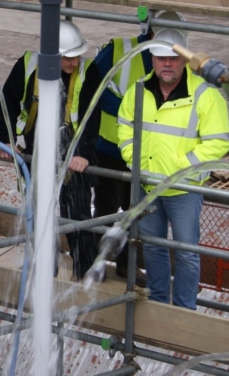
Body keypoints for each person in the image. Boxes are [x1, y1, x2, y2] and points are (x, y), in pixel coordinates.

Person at [117, 28, 229, 309]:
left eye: (173, 59)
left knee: (187, 253)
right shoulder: (139, 90)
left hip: (184, 189)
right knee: (153, 248)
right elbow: (125, 128)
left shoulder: (205, 94)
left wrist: (179, 169)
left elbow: (217, 143)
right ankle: (157, 302)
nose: (167, 64)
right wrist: (138, 163)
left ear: (185, 60)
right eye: (160, 58)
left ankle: (184, 308)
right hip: (148, 185)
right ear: (152, 60)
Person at [0, 21, 100, 281]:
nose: (74, 63)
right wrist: (6, 138)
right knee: (38, 210)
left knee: (76, 211)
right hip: (36, 146)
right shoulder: (29, 64)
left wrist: (83, 153)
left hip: (73, 149)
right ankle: (45, 266)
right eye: (68, 58)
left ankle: (83, 268)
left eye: (77, 57)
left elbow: (91, 116)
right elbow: (8, 100)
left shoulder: (89, 71)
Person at [86, 26, 154, 285]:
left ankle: (128, 265)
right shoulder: (118, 51)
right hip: (110, 148)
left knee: (135, 212)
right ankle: (98, 262)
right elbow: (93, 84)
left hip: (143, 155)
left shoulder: (174, 60)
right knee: (105, 209)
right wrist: (125, 107)